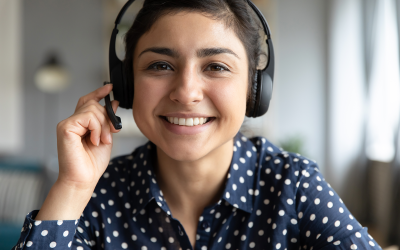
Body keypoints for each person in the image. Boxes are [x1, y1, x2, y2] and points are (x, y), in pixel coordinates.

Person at [14, 0, 381, 249]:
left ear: (255, 89)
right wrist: (73, 187)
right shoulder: (96, 194)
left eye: (216, 67)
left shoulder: (293, 185)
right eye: (160, 65)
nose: (186, 92)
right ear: (126, 85)